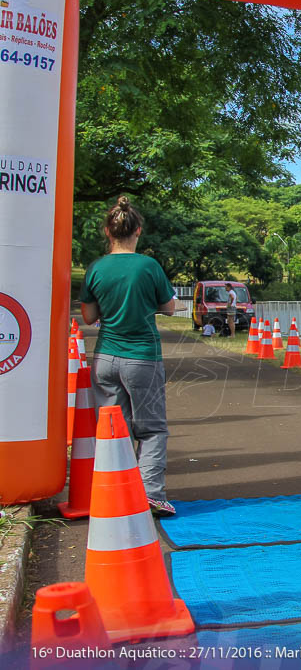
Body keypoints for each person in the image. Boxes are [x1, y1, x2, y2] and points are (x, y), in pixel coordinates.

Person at [79, 196, 179, 517]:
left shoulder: (96, 268)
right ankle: (150, 494)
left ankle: (117, 494)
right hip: (142, 357)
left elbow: (89, 316)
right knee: (151, 428)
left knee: (112, 429)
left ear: (108, 231)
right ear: (137, 230)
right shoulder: (148, 266)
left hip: (106, 357)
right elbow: (169, 306)